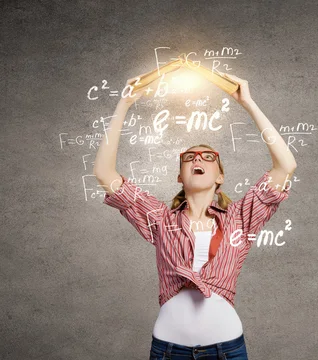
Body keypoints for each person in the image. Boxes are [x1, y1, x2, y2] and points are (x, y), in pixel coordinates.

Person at [93, 70, 297, 360]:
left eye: (207, 156)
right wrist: (124, 104)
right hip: (167, 351)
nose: (198, 159)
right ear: (180, 176)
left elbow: (285, 166)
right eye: (189, 157)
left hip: (227, 350)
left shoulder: (241, 218)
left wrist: (248, 103)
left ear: (220, 176)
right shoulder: (161, 219)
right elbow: (104, 173)